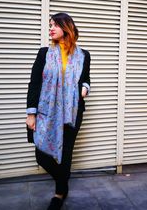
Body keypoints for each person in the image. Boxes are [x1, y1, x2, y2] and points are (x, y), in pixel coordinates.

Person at [26, 12, 91, 210]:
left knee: (66, 153)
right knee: (41, 155)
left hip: (72, 112)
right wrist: (31, 113)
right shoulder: (44, 53)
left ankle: (59, 192)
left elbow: (86, 78)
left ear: (66, 28)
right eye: (50, 25)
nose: (51, 28)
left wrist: (85, 88)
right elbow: (34, 83)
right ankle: (63, 183)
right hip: (47, 111)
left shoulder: (83, 55)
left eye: (55, 25)